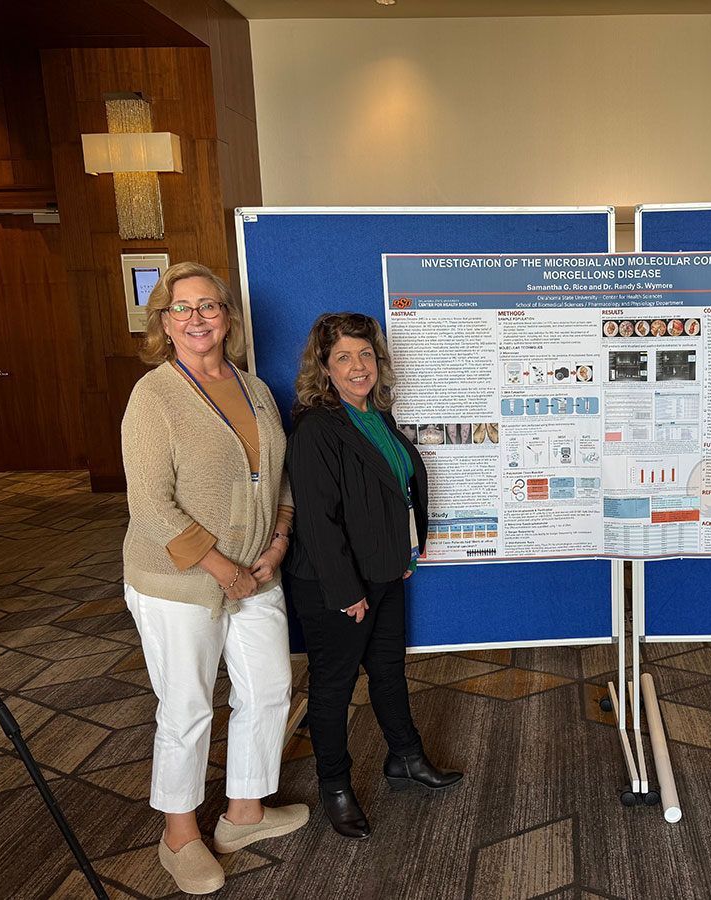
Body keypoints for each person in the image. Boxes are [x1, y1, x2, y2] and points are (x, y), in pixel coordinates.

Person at [120, 262, 307, 894]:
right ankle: (180, 837)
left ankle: (243, 815)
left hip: (258, 571)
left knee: (270, 688)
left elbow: (277, 476)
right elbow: (150, 505)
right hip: (178, 583)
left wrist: (277, 543)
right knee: (188, 705)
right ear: (163, 324)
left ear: (227, 316)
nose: (197, 318)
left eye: (209, 306)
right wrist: (221, 567)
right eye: (183, 309)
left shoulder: (253, 388)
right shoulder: (154, 396)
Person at [284, 312, 462, 840]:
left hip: (385, 573)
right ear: (324, 367)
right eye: (343, 357)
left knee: (388, 673)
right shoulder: (318, 426)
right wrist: (346, 592)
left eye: (365, 354)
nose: (357, 366)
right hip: (336, 586)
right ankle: (334, 786)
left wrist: (405, 552)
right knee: (334, 688)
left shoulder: (376, 414)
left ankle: (405, 759)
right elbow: (318, 520)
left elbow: (392, 495)